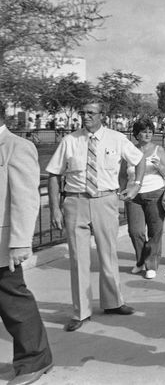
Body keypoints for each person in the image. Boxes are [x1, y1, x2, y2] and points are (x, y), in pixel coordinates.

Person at [47, 101, 143, 332]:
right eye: (83, 112)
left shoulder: (116, 139)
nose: (86, 116)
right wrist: (55, 208)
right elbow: (53, 175)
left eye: (91, 113)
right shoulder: (70, 141)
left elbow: (139, 160)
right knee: (79, 259)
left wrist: (136, 185)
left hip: (105, 200)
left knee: (108, 253)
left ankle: (113, 302)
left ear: (103, 115)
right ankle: (81, 312)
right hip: (75, 200)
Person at [0, 107, 54, 385]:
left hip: (2, 244)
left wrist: (20, 241)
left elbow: (25, 197)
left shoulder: (16, 147)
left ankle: (34, 359)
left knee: (13, 303)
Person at [124, 118, 165, 280]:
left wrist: (160, 167)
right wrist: (122, 190)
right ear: (136, 134)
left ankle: (151, 264)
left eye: (150, 131)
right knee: (135, 231)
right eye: (144, 131)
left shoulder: (158, 150)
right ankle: (140, 260)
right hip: (134, 196)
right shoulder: (130, 151)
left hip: (155, 194)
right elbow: (123, 174)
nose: (148, 134)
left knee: (155, 231)